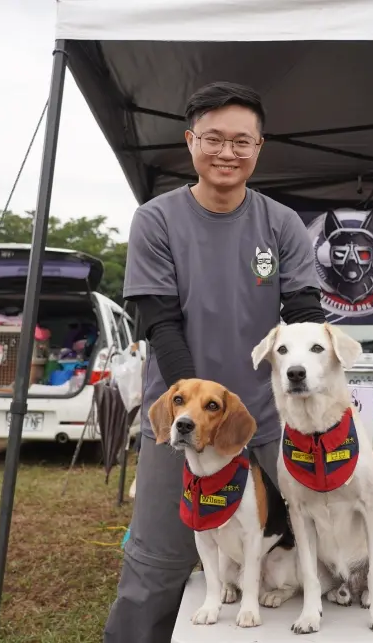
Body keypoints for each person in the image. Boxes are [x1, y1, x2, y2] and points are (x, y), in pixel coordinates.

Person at [103, 82, 325, 643]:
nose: (228, 153)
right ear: (190, 141)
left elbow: (302, 317)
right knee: (159, 559)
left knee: (291, 547)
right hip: (180, 419)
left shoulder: (282, 224)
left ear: (260, 147)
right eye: (215, 139)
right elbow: (159, 322)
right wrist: (200, 417)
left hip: (270, 424)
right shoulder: (156, 220)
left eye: (242, 142)